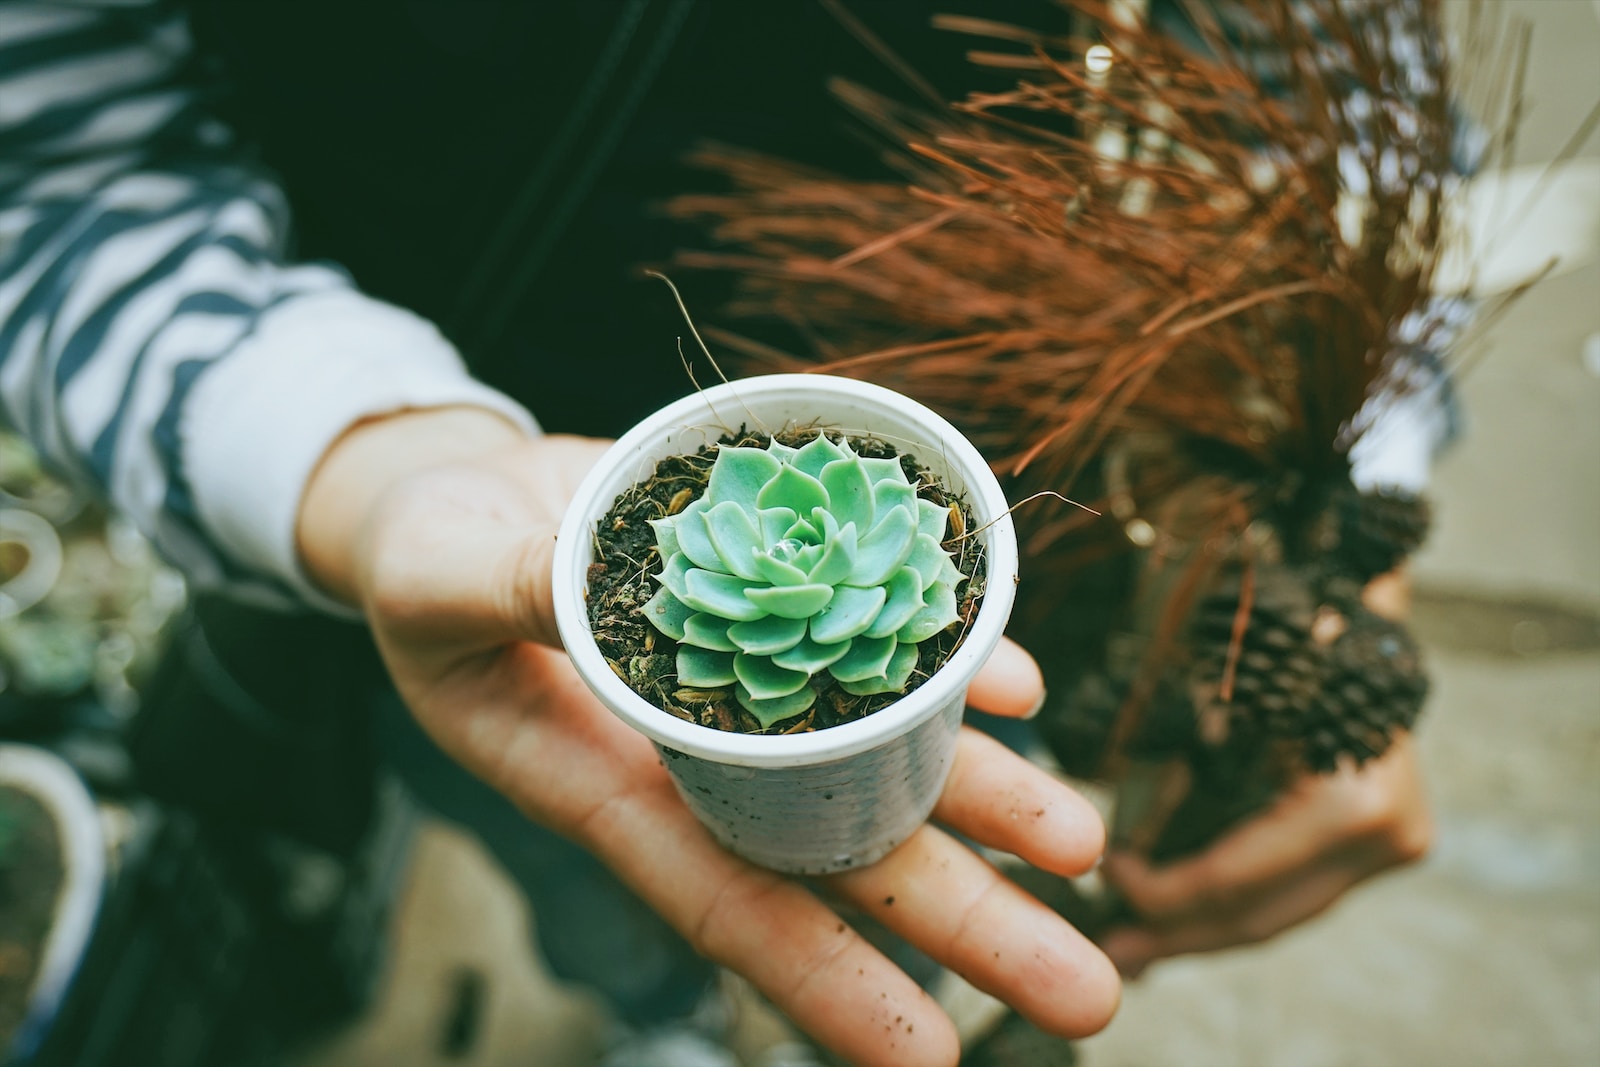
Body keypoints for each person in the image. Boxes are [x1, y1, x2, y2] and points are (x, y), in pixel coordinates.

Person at [0, 2, 1432, 1064]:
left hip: (1055, 455)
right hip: (457, 503)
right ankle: (668, 1017)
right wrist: (364, 456)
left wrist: (1330, 542)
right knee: (600, 878)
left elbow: (1327, 103)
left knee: (1009, 834)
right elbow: (55, 176)